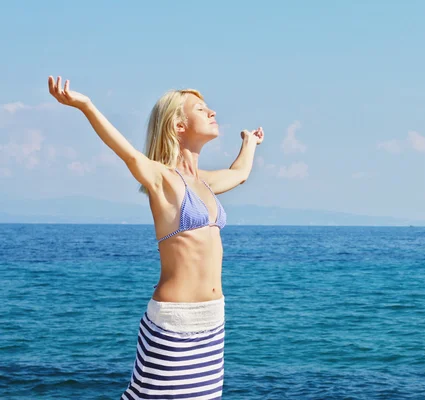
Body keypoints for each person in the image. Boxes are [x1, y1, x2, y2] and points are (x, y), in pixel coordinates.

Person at [47, 75, 264, 399]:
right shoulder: (163, 179)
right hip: (175, 325)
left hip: (213, 322)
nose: (212, 112)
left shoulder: (203, 183)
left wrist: (249, 142)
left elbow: (240, 173)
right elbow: (130, 155)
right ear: (178, 126)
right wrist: (85, 105)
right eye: (201, 109)